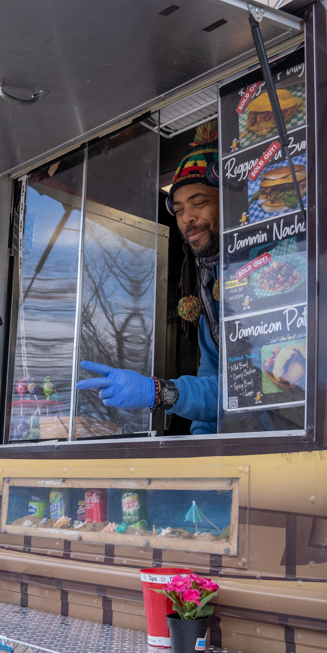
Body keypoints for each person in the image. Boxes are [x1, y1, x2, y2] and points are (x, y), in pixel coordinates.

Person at [77, 122, 223, 434]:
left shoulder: (261, 270)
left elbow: (258, 384)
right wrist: (203, 444)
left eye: (199, 203)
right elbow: (214, 372)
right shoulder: (207, 278)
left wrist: (158, 392)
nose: (187, 218)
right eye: (179, 208)